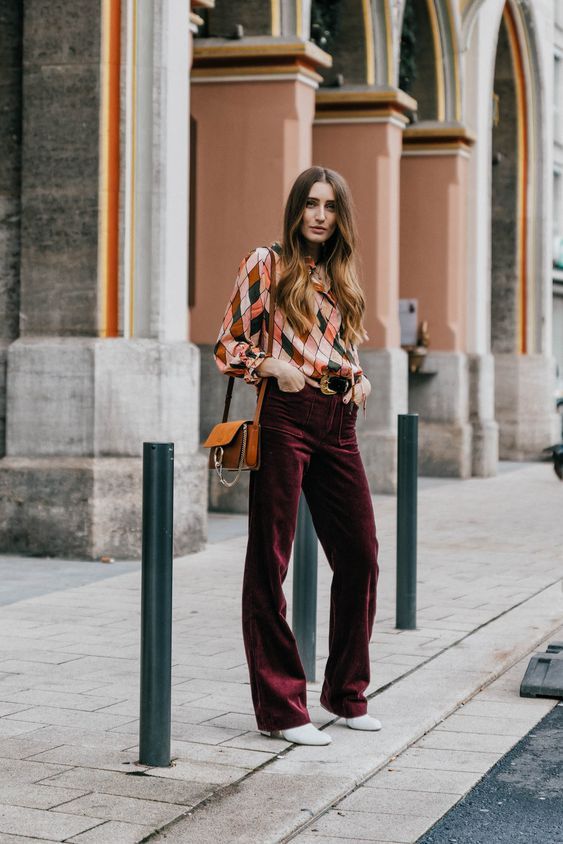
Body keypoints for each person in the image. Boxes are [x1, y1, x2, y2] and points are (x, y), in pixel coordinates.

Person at [214, 166, 380, 746]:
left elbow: (339, 347)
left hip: (339, 420)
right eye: (311, 203)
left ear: (341, 217)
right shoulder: (267, 262)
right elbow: (227, 344)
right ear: (296, 208)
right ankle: (283, 710)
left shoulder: (341, 275)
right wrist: (272, 366)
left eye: (330, 207)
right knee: (270, 560)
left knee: (360, 555)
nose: (320, 215)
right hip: (286, 414)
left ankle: (346, 694)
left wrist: (359, 376)